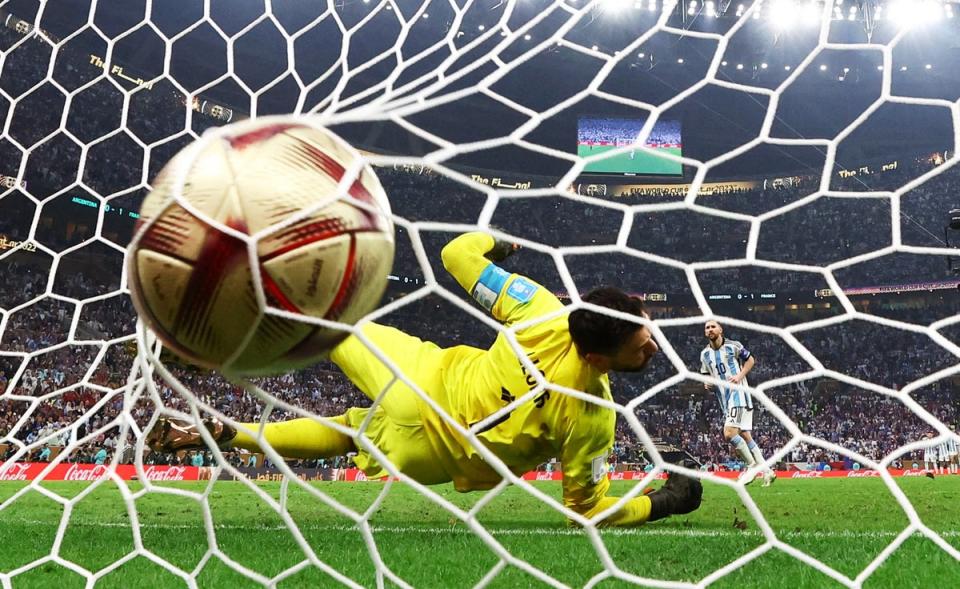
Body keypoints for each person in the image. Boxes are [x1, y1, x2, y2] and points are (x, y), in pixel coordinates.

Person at [149, 231, 701, 527]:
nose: (654, 342)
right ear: (601, 359)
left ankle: (217, 316)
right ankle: (223, 432)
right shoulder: (593, 416)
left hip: (416, 378)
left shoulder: (539, 309)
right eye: (644, 340)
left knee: (329, 321)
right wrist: (666, 502)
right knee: (347, 433)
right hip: (432, 456)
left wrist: (498, 246)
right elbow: (587, 509)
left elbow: (456, 254)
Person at [699, 320, 775, 487]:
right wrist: (707, 384)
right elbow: (706, 376)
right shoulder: (704, 354)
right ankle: (768, 471)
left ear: (720, 329)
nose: (710, 329)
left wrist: (739, 376)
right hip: (724, 400)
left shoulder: (733, 346)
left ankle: (752, 466)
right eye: (707, 327)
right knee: (744, 435)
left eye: (713, 326)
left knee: (729, 433)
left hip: (739, 394)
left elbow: (751, 360)